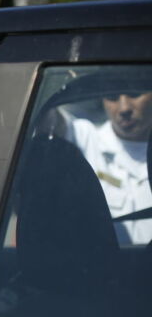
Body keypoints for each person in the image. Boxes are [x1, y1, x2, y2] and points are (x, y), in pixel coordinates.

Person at [65, 89, 152, 244]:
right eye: (112, 96)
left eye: (134, 93)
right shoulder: (86, 139)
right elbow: (51, 119)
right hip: (107, 267)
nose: (124, 108)